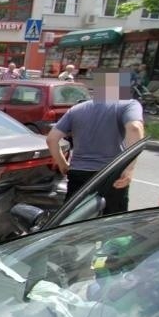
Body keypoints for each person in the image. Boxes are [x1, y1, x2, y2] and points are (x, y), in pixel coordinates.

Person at [46, 70, 145, 215]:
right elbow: (135, 128)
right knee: (112, 222)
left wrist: (63, 165)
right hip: (111, 173)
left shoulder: (76, 109)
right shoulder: (128, 105)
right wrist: (129, 168)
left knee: (73, 218)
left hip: (78, 173)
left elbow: (51, 139)